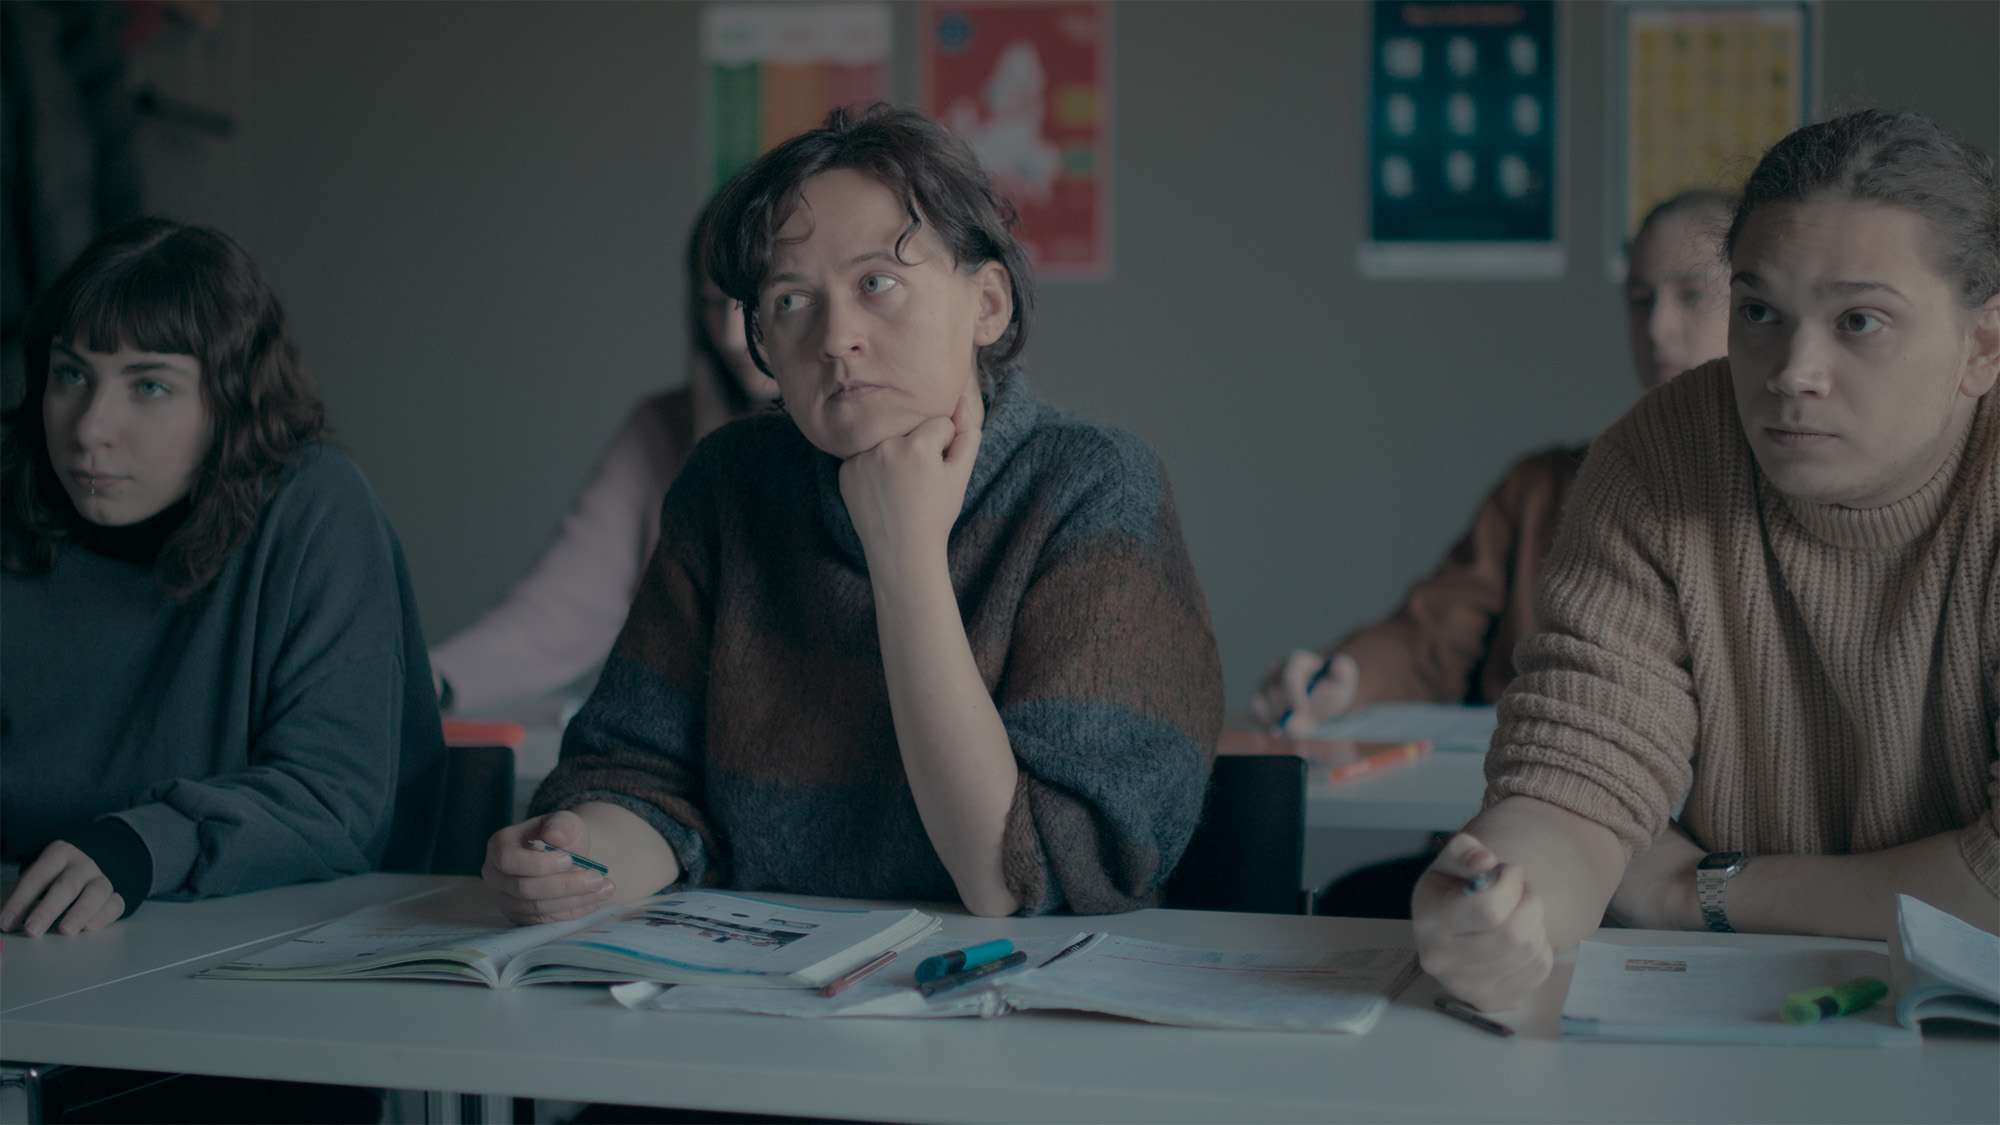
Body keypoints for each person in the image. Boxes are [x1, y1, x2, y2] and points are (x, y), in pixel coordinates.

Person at [482, 104, 1222, 922]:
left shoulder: (1093, 484)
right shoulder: (730, 483)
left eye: (879, 284)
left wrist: (904, 555)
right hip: (764, 993)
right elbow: (642, 778)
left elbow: (1023, 878)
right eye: (792, 301)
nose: (836, 338)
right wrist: (574, 856)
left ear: (987, 304)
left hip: (1029, 1004)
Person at [1413, 109, 2000, 1012]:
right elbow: (1576, 788)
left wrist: (1697, 889)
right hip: (1735, 1016)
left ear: (1982, 347)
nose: (1792, 370)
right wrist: (1503, 900)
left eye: (1859, 321)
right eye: (1759, 311)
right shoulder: (1661, 453)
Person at [0, 218, 445, 938]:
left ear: (231, 401)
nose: (89, 427)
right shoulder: (10, 491)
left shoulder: (315, 506)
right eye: (71, 373)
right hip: (24, 944)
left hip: (260, 947)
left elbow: (337, 800)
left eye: (149, 385)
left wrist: (147, 840)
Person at [1252, 190, 1735, 733]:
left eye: (1692, 294)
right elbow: (1430, 638)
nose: (1656, 329)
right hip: (1522, 792)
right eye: (1640, 299)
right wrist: (1344, 677)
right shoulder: (1541, 488)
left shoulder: (1796, 501)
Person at [428, 198, 780, 716]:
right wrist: (425, 681)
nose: (730, 335)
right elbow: (555, 616)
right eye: (710, 302)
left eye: (750, 301)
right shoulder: (663, 427)